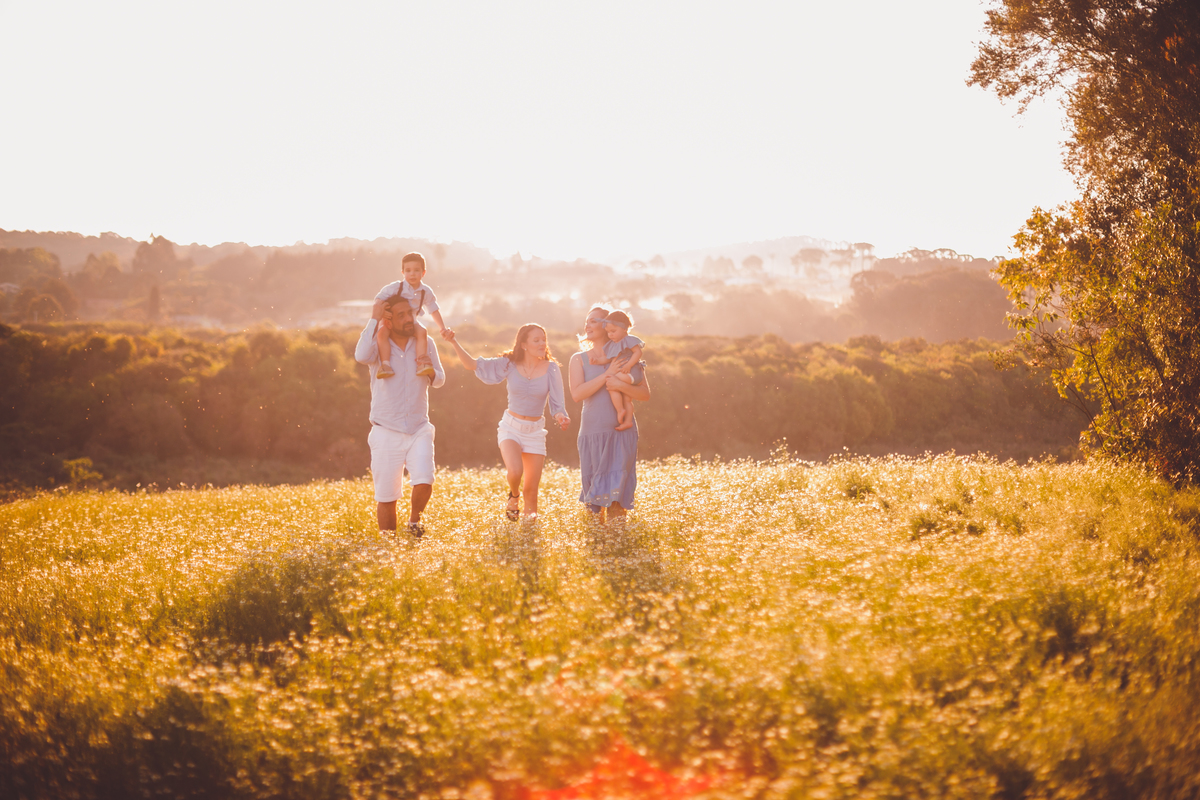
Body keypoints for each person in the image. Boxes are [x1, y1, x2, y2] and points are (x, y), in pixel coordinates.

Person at [443, 324, 569, 520]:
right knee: (516, 471)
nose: (542, 343)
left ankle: (528, 539)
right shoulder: (509, 364)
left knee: (532, 491)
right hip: (511, 427)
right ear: (524, 344)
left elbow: (557, 403)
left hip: (535, 432)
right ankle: (513, 495)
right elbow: (472, 364)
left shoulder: (551, 368)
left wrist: (561, 417)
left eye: (544, 339)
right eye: (536, 340)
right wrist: (453, 341)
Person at [354, 297, 446, 537]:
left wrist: (431, 370)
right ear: (389, 319)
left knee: (425, 480)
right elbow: (361, 356)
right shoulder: (377, 345)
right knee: (387, 497)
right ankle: (389, 547)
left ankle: (414, 523)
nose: (408, 319)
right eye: (401, 315)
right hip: (386, 430)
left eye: (410, 314)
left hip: (419, 428)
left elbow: (440, 380)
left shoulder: (426, 343)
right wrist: (374, 318)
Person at [569, 307, 651, 522]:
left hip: (621, 433)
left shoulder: (626, 356)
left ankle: (617, 548)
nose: (587, 324)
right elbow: (577, 394)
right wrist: (608, 374)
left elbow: (644, 394)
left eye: (594, 320)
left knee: (617, 501)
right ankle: (596, 547)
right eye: (587, 320)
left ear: (608, 326)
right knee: (593, 504)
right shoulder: (578, 359)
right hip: (592, 433)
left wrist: (619, 385)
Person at [374, 251, 446, 380]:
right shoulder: (395, 287)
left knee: (422, 332)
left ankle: (421, 363)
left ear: (423, 272)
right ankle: (385, 365)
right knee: (382, 333)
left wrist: (442, 328)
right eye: (408, 270)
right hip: (390, 321)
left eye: (416, 270)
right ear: (402, 273)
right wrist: (382, 312)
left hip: (410, 322)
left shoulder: (426, 291)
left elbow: (433, 310)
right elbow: (378, 299)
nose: (412, 274)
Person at [585, 309, 645, 431]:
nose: (610, 335)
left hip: (632, 372)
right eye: (608, 332)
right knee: (627, 399)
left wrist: (628, 365)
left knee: (611, 383)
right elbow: (608, 359)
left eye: (613, 331)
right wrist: (597, 361)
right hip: (629, 374)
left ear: (624, 329)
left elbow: (638, 352)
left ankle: (620, 409)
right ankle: (627, 421)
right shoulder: (613, 344)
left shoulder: (629, 340)